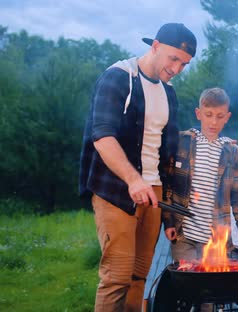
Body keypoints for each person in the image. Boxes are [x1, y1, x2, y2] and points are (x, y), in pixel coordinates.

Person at [78, 23, 196, 312]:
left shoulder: (169, 94)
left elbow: (168, 157)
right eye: (173, 59)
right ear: (155, 46)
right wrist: (133, 180)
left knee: (138, 276)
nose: (178, 68)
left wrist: (169, 215)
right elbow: (102, 136)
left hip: (154, 192)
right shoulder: (119, 78)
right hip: (117, 188)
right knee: (117, 277)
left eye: (184, 64)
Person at [163, 87, 238, 264]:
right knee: (187, 282)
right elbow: (168, 185)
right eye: (208, 114)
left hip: (215, 238)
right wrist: (168, 222)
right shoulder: (182, 142)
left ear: (227, 117)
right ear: (199, 114)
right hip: (184, 235)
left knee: (211, 286)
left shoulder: (232, 152)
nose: (213, 122)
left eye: (220, 116)